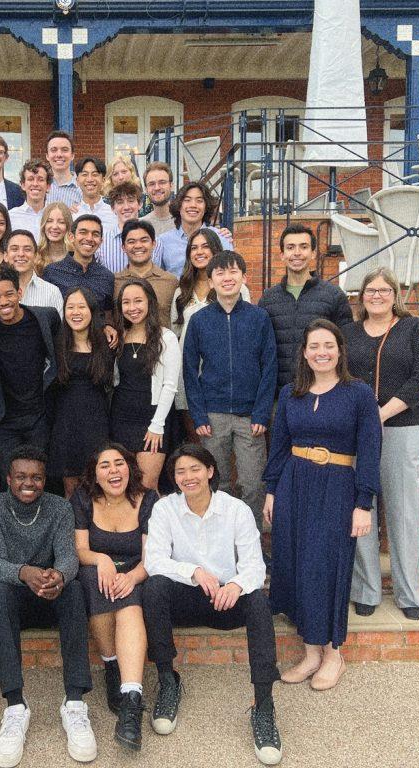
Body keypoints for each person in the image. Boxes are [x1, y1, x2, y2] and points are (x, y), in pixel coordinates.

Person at [143, 444, 283, 766]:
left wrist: (235, 584)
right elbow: (154, 560)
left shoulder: (236, 509)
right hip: (187, 598)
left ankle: (263, 706)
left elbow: (254, 566)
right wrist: (192, 571)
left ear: (209, 471)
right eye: (180, 471)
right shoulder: (165, 510)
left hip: (226, 600)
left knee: (259, 603)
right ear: (174, 478)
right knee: (154, 588)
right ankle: (168, 681)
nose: (188, 477)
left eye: (195, 469)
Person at [263, 319, 381, 691]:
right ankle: (311, 652)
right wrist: (271, 490)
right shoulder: (290, 394)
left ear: (340, 350)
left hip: (338, 487)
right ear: (304, 352)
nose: (321, 352)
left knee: (326, 567)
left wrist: (364, 503)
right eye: (314, 346)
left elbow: (370, 450)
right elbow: (279, 445)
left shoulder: (358, 394)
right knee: (296, 565)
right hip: (294, 485)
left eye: (328, 345)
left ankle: (333, 654)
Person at [0, 446, 97, 767]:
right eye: (20, 477)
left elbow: (68, 556)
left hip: (51, 591)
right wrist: (24, 572)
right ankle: (15, 706)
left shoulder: (59, 507)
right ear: (8, 479)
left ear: (46, 480)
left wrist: (58, 575)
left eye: (36, 477)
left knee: (73, 591)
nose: (28, 483)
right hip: (16, 593)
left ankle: (74, 702)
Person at [345, 268, 419, 621]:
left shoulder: (414, 329)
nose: (376, 295)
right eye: (370, 290)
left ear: (395, 295)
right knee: (360, 510)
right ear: (361, 296)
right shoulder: (348, 333)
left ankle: (408, 593)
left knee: (404, 513)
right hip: (354, 433)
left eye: (383, 290)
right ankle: (365, 589)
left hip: (402, 428)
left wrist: (378, 415)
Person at [183, 251, 276, 531]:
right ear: (210, 281)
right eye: (220, 273)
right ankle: (220, 548)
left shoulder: (259, 318)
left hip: (251, 418)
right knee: (217, 483)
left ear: (244, 278)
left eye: (233, 272)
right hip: (213, 416)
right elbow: (189, 370)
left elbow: (269, 367)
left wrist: (261, 411)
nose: (227, 278)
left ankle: (252, 550)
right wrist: (199, 416)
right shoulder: (199, 320)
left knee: (251, 483)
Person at [72, 444, 157, 750]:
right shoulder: (83, 498)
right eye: (105, 465)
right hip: (97, 570)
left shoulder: (148, 499)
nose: (113, 470)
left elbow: (153, 555)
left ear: (129, 468)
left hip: (138, 572)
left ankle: (131, 701)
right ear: (95, 474)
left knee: (129, 600)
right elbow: (80, 550)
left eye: (119, 463)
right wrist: (102, 559)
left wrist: (133, 576)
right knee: (95, 579)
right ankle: (111, 666)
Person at [0, 263, 61, 473]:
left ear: (20, 293)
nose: (3, 301)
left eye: (9, 294)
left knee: (39, 476)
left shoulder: (45, 318)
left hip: (39, 417)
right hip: (5, 419)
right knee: (9, 477)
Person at [170, 228, 249, 435]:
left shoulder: (236, 287)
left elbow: (245, 329)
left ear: (216, 250)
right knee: (197, 440)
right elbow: (175, 333)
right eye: (194, 248)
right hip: (189, 375)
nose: (199, 252)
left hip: (224, 377)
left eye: (205, 246)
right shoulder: (181, 292)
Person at [258, 224, 355, 390]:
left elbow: (347, 345)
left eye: (303, 247)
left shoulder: (333, 295)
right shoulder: (268, 299)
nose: (297, 253)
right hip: (279, 395)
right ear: (282, 255)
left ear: (313, 253)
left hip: (323, 392)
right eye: (290, 247)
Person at [111, 279, 180, 491]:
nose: (132, 308)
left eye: (138, 301)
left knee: (148, 486)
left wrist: (157, 425)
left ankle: (155, 526)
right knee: (124, 486)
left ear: (150, 302)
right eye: (126, 302)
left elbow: (170, 385)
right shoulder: (118, 336)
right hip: (121, 418)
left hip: (152, 420)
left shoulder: (165, 337)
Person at [49, 286, 113, 496]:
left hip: (97, 422)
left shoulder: (105, 342)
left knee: (97, 485)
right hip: (66, 422)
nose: (75, 312)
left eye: (81, 307)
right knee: (70, 489)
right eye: (70, 307)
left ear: (92, 310)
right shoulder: (56, 343)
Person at [0, 230, 63, 317]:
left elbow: (58, 329)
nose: (21, 254)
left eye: (27, 249)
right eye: (14, 249)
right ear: (5, 256)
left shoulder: (52, 292)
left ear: (35, 256)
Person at [43, 215, 116, 314]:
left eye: (95, 234)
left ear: (101, 241)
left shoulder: (107, 277)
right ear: (71, 237)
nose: (89, 238)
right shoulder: (52, 272)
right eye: (83, 232)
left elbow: (108, 313)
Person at [158, 181, 233, 276]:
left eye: (199, 201)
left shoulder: (221, 238)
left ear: (206, 207)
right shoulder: (163, 241)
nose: (193, 205)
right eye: (187, 200)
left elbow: (230, 274)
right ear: (179, 205)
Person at [113, 220, 178, 329]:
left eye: (144, 240)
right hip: (124, 345)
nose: (138, 245)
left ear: (153, 244)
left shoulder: (171, 282)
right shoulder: (114, 281)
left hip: (162, 344)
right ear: (123, 247)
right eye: (131, 241)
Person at [97, 182, 164, 273]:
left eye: (131, 201)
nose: (126, 207)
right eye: (120, 202)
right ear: (113, 208)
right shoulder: (102, 243)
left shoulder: (156, 242)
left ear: (140, 204)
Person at [8, 159, 52, 239]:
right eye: (30, 179)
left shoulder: (55, 216)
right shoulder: (11, 216)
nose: (35, 184)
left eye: (40, 179)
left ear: (48, 186)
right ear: (23, 185)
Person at [74, 156, 113, 230]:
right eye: (84, 174)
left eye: (95, 174)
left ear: (103, 180)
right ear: (77, 181)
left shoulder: (114, 214)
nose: (90, 179)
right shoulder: (72, 215)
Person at [46, 130, 82, 208]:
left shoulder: (83, 187)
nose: (59, 154)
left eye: (64, 150)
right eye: (54, 150)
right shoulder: (39, 186)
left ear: (72, 155)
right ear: (47, 156)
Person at [140, 161, 176, 237]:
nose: (157, 188)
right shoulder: (141, 225)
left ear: (171, 185)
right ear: (146, 189)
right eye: (152, 184)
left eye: (162, 182)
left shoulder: (184, 222)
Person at [36, 201, 72, 271]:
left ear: (68, 226)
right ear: (44, 225)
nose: (54, 226)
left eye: (61, 222)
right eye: (49, 221)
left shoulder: (76, 256)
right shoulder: (35, 255)